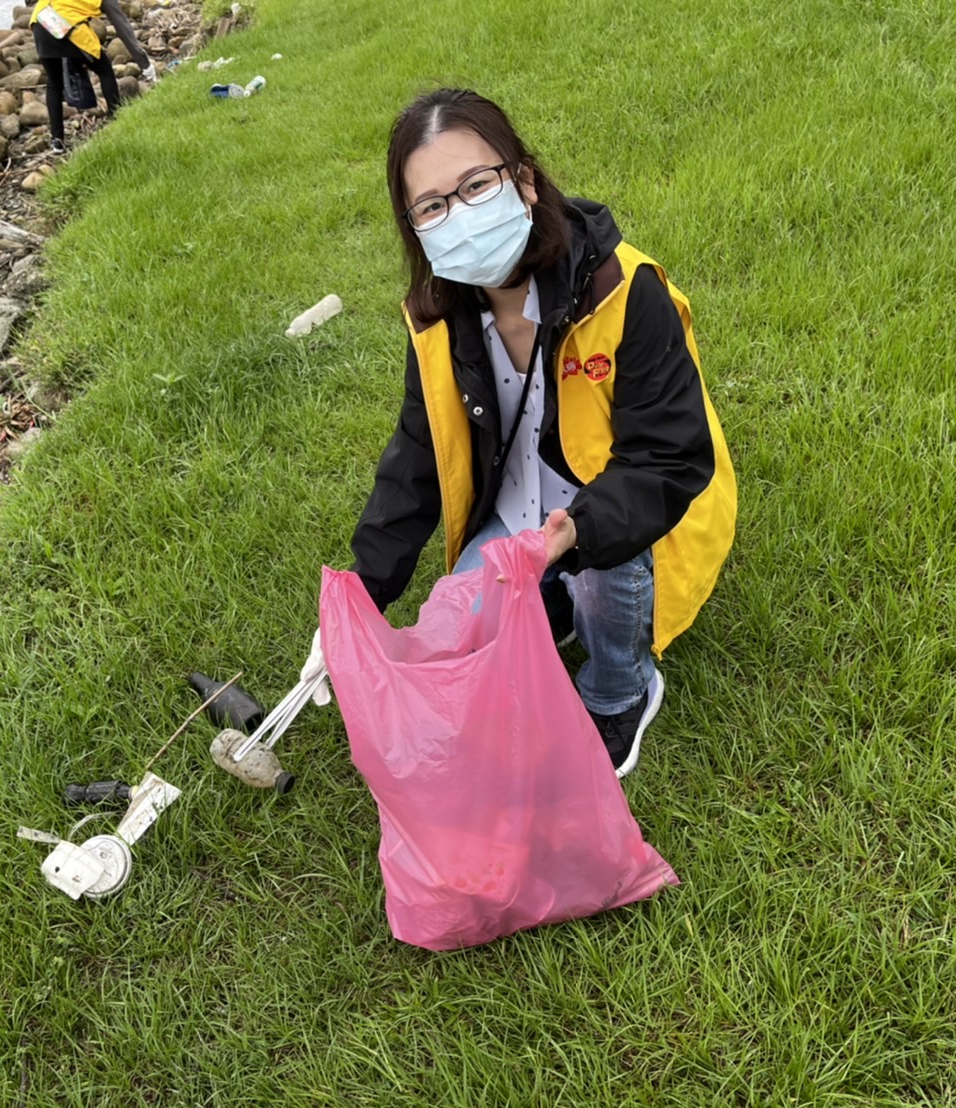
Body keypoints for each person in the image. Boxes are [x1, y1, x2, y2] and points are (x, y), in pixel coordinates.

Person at [304, 89, 736, 777]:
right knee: (455, 640)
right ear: (414, 228)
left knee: (601, 556)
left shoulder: (623, 290)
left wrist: (573, 533)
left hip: (617, 511)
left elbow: (665, 461)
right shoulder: (436, 317)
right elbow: (417, 456)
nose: (459, 215)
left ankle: (620, 691)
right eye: (432, 206)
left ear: (525, 181)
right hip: (514, 519)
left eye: (476, 185)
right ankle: (551, 597)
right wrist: (360, 598)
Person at [29, 0, 123, 154]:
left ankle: (57, 141)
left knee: (54, 83)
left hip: (40, 23)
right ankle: (117, 117)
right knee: (105, 70)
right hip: (63, 25)